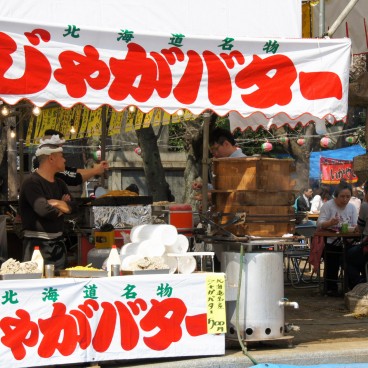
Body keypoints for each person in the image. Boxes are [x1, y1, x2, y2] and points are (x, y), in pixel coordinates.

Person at [19, 142, 79, 271]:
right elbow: (45, 211)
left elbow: (74, 208)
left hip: (58, 244)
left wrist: (56, 202)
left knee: (59, 287)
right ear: (51, 158)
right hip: (36, 246)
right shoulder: (31, 182)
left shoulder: (60, 183)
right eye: (61, 156)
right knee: (36, 286)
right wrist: (63, 205)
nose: (64, 160)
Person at [317, 181, 358, 296]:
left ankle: (351, 287)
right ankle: (331, 288)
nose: (345, 199)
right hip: (331, 241)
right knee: (332, 259)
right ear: (336, 196)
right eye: (342, 196)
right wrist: (329, 222)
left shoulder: (352, 207)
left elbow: (354, 224)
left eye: (348, 197)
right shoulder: (328, 206)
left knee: (351, 259)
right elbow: (319, 223)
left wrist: (354, 228)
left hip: (348, 241)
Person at [32, 129, 109, 186]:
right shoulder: (42, 163)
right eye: (60, 146)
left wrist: (94, 169)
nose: (64, 159)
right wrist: (95, 171)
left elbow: (71, 171)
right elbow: (73, 179)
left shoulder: (43, 158)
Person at [346, 182, 368, 289]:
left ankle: (358, 282)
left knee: (348, 254)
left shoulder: (365, 206)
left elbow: (360, 228)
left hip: (367, 247)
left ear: (366, 193)